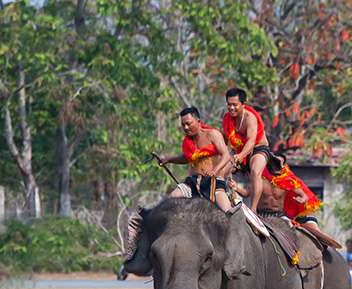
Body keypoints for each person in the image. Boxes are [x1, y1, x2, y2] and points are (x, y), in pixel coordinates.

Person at [121, 107, 233, 270]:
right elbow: (186, 158)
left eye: (188, 124)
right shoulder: (188, 141)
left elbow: (225, 155)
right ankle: (141, 246)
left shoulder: (213, 135)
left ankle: (233, 257)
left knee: (228, 213)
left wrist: (215, 172)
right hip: (193, 182)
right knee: (169, 203)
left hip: (215, 183)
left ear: (198, 121)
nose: (186, 128)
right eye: (183, 126)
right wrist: (169, 160)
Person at [223, 87, 292, 212]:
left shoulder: (250, 118)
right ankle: (227, 201)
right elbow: (228, 142)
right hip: (240, 152)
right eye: (229, 105)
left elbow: (251, 141)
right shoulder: (227, 119)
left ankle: (253, 210)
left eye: (235, 105)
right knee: (222, 170)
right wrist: (228, 158)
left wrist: (240, 156)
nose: (231, 108)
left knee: (255, 171)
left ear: (243, 104)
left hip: (258, 149)